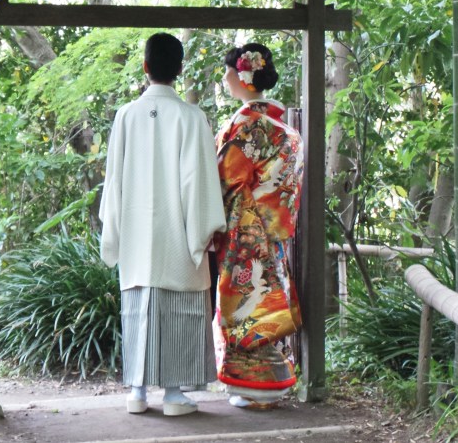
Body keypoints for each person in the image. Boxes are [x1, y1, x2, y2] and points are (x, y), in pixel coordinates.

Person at [99, 32, 226, 416]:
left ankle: (136, 392)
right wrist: (202, 232)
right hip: (178, 230)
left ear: (145, 66)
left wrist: (116, 227)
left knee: (138, 308)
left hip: (137, 233)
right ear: (180, 69)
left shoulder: (126, 115)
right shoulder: (192, 117)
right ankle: (173, 394)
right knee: (182, 310)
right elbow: (199, 181)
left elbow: (115, 179)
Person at [212, 43, 304, 409]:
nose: (225, 78)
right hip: (274, 233)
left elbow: (222, 178)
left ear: (244, 77)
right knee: (271, 299)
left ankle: (252, 390)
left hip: (243, 233)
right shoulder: (285, 131)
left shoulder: (244, 127)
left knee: (245, 306)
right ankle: (276, 383)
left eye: (229, 72)